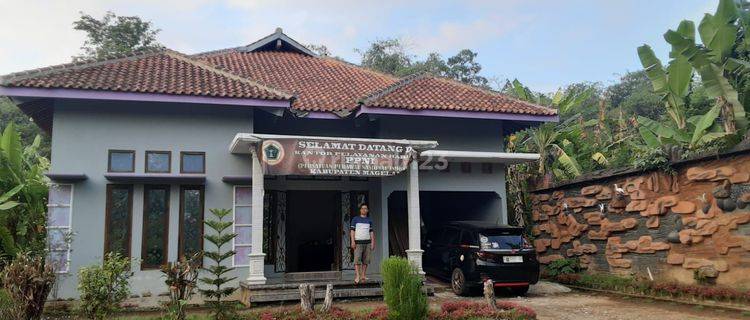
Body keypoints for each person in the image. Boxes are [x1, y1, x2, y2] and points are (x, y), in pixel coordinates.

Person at [350, 204, 375, 284]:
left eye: (366, 208)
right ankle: (357, 276)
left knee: (366, 260)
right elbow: (352, 231)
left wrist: (373, 242)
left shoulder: (369, 220)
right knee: (357, 260)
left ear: (367, 210)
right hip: (358, 243)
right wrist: (353, 241)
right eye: (363, 208)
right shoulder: (355, 219)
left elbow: (371, 232)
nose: (364, 210)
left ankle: (363, 275)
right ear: (360, 210)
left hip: (367, 243)